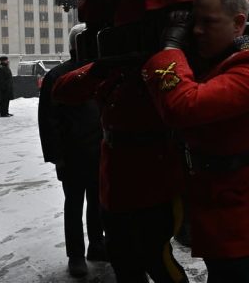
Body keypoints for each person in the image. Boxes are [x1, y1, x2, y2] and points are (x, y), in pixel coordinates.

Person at [142, 0, 249, 282]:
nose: (196, 31)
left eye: (208, 22)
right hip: (219, 204)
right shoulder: (218, 61)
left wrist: (171, 48)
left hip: (247, 213)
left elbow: (183, 107)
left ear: (238, 24)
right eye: (194, 22)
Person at [53, 34, 187, 282]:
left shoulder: (165, 64)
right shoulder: (113, 71)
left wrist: (169, 50)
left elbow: (184, 104)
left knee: (157, 257)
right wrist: (102, 65)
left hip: (155, 177)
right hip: (114, 180)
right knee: (122, 257)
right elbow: (62, 90)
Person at [38, 25, 107, 278]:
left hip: (100, 150)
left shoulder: (101, 70)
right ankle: (75, 254)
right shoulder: (57, 75)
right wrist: (56, 156)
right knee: (74, 204)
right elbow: (48, 120)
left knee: (97, 201)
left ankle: (96, 244)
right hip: (72, 153)